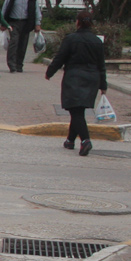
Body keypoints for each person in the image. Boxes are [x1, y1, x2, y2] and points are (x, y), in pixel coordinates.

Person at [44, 9, 108, 157]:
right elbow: (101, 65)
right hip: (92, 79)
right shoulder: (97, 41)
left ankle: (85, 141)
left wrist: (50, 72)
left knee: (76, 111)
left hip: (74, 77)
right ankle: (70, 140)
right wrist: (103, 85)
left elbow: (60, 57)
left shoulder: (71, 39)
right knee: (78, 110)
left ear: (77, 23)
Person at [0, 0, 42, 73]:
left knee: (23, 45)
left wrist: (37, 24)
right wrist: (3, 22)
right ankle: (12, 64)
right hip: (13, 22)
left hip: (26, 23)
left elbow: (37, 11)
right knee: (14, 42)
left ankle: (19, 65)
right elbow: (5, 7)